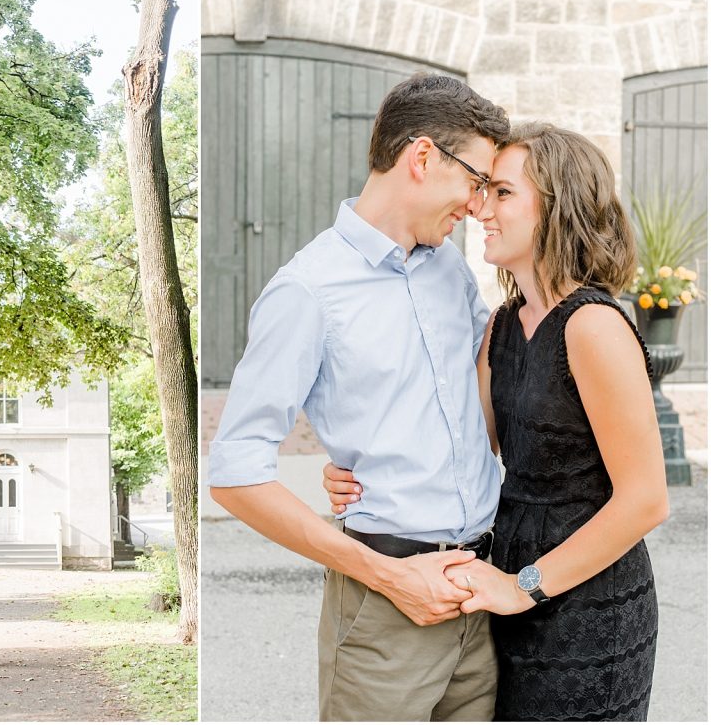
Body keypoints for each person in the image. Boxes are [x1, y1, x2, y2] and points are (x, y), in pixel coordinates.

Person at [325, 123, 668, 721]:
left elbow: (645, 501)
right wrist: (357, 470)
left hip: (587, 604)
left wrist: (521, 586)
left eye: (503, 193)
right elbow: (463, 447)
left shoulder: (594, 327)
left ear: (558, 208)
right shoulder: (502, 328)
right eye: (484, 190)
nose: (480, 206)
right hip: (504, 585)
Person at [208, 73, 511, 721]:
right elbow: (234, 475)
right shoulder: (307, 291)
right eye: (477, 182)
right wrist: (388, 574)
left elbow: (479, 400)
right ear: (423, 158)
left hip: (481, 598)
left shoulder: (450, 266)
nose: (479, 204)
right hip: (384, 610)